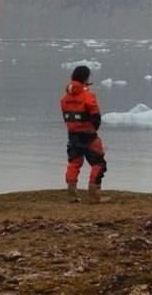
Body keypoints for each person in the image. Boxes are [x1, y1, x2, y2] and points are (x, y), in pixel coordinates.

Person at [60, 65, 109, 203]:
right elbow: (95, 115)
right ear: (85, 78)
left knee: (74, 162)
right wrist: (93, 129)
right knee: (98, 163)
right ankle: (94, 194)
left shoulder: (64, 98)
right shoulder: (88, 95)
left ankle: (71, 192)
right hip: (88, 135)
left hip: (73, 134)